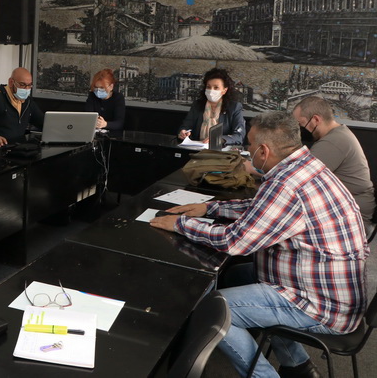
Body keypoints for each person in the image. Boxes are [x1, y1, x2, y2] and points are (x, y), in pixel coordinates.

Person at [151, 111, 369, 378]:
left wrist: (181, 224)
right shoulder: (304, 165)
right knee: (236, 275)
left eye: (250, 145)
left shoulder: (286, 184)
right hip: (330, 290)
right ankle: (298, 367)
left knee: (212, 309)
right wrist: (209, 208)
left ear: (263, 151)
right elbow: (263, 209)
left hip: (322, 305)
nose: (248, 150)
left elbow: (234, 241)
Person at [293, 96, 376, 233]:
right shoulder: (338, 133)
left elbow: (297, 177)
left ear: (316, 119)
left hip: (353, 218)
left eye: (300, 124)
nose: (299, 129)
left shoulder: (334, 141)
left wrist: (260, 171)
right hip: (347, 209)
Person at [178, 68, 245, 145]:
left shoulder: (234, 107)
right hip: (197, 148)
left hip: (220, 150)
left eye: (216, 87)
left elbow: (239, 136)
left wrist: (220, 139)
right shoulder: (197, 105)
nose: (211, 90)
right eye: (208, 87)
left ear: (224, 90)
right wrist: (183, 132)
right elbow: (185, 126)